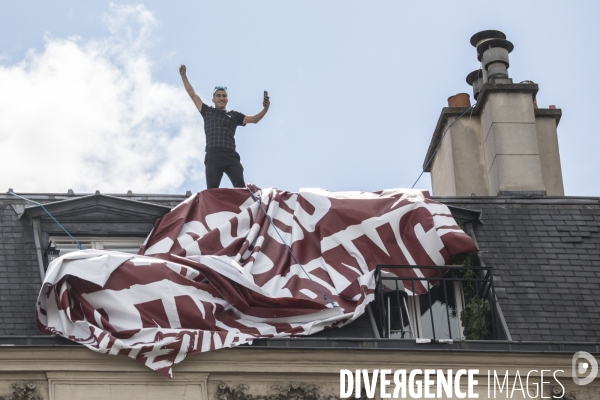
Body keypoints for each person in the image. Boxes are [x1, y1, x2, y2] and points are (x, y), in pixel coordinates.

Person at [179, 64, 270, 189]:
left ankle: (242, 207)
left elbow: (254, 119)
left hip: (230, 155)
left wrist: (265, 108)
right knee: (212, 190)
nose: (221, 98)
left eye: (223, 96)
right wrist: (184, 76)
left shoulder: (234, 115)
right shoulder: (207, 111)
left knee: (240, 188)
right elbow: (192, 94)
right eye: (219, 96)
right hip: (213, 154)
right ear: (213, 99)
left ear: (227, 100)